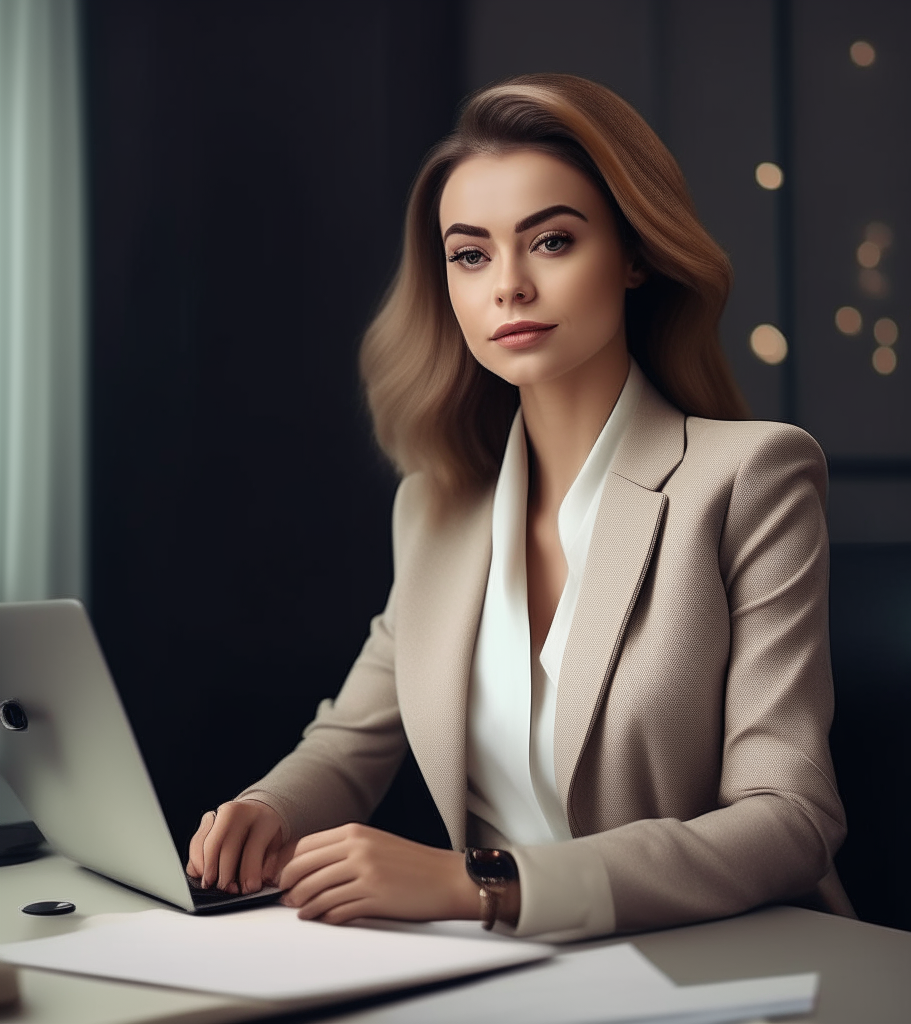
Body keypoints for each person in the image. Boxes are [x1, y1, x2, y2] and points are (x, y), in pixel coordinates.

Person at [186, 73, 853, 941]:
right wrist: (268, 807)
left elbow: (790, 820)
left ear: (634, 255)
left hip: (717, 960)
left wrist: (483, 883)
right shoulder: (435, 508)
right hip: (510, 974)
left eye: (551, 241)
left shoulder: (751, 477)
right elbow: (352, 739)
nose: (508, 286)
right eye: (470, 254)